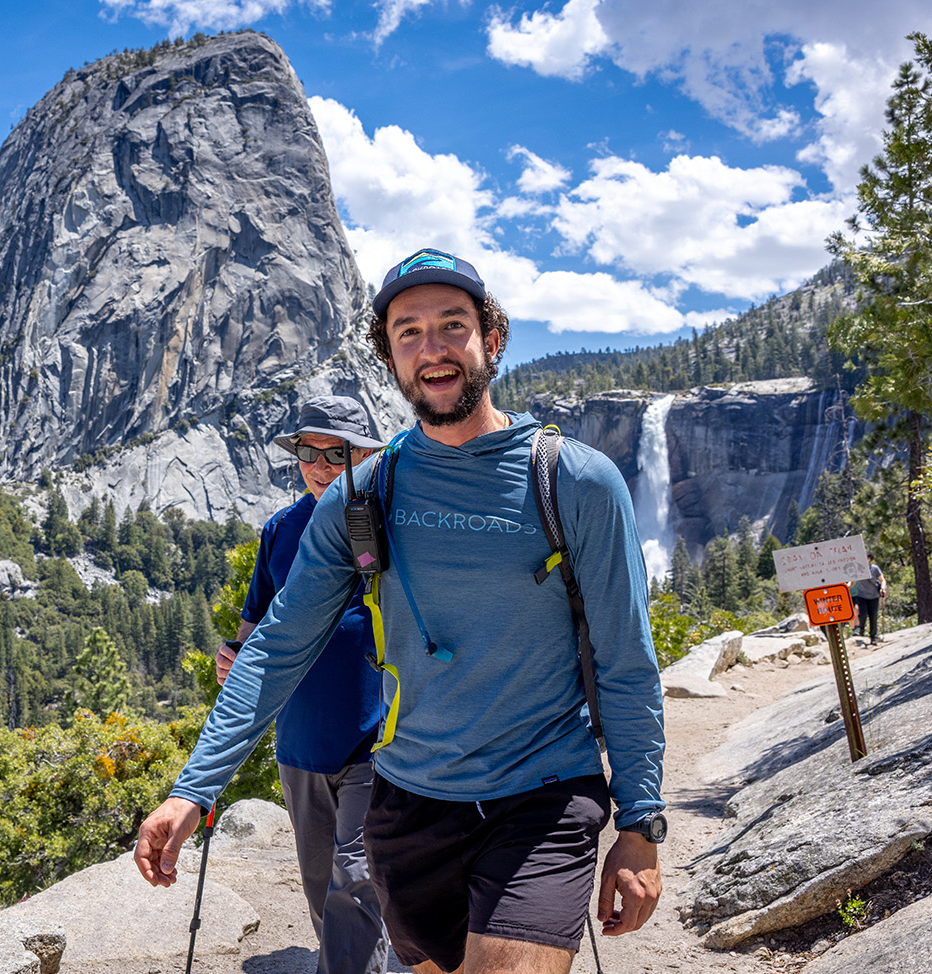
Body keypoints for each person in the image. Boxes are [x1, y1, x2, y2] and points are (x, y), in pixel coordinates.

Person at [136, 248, 667, 974]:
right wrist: (194, 788)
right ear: (388, 355)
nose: (433, 347)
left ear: (493, 338)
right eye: (408, 332)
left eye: (453, 324)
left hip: (543, 797)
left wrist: (639, 824)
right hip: (408, 804)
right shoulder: (361, 495)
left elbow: (626, 660)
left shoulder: (574, 481)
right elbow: (277, 646)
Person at [216, 395, 389, 974]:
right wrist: (235, 658)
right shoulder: (280, 530)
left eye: (333, 453)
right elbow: (253, 626)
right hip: (299, 743)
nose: (318, 465)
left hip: (380, 738)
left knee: (357, 874)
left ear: (366, 455)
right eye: (307, 453)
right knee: (320, 876)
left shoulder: (393, 525)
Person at [850, 554, 888, 644]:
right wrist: (844, 588)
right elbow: (852, 583)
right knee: (862, 614)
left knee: (873, 617)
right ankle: (861, 628)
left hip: (874, 596)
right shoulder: (857, 569)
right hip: (861, 595)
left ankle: (873, 637)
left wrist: (883, 588)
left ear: (870, 559)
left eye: (866, 558)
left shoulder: (875, 569)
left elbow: (883, 580)